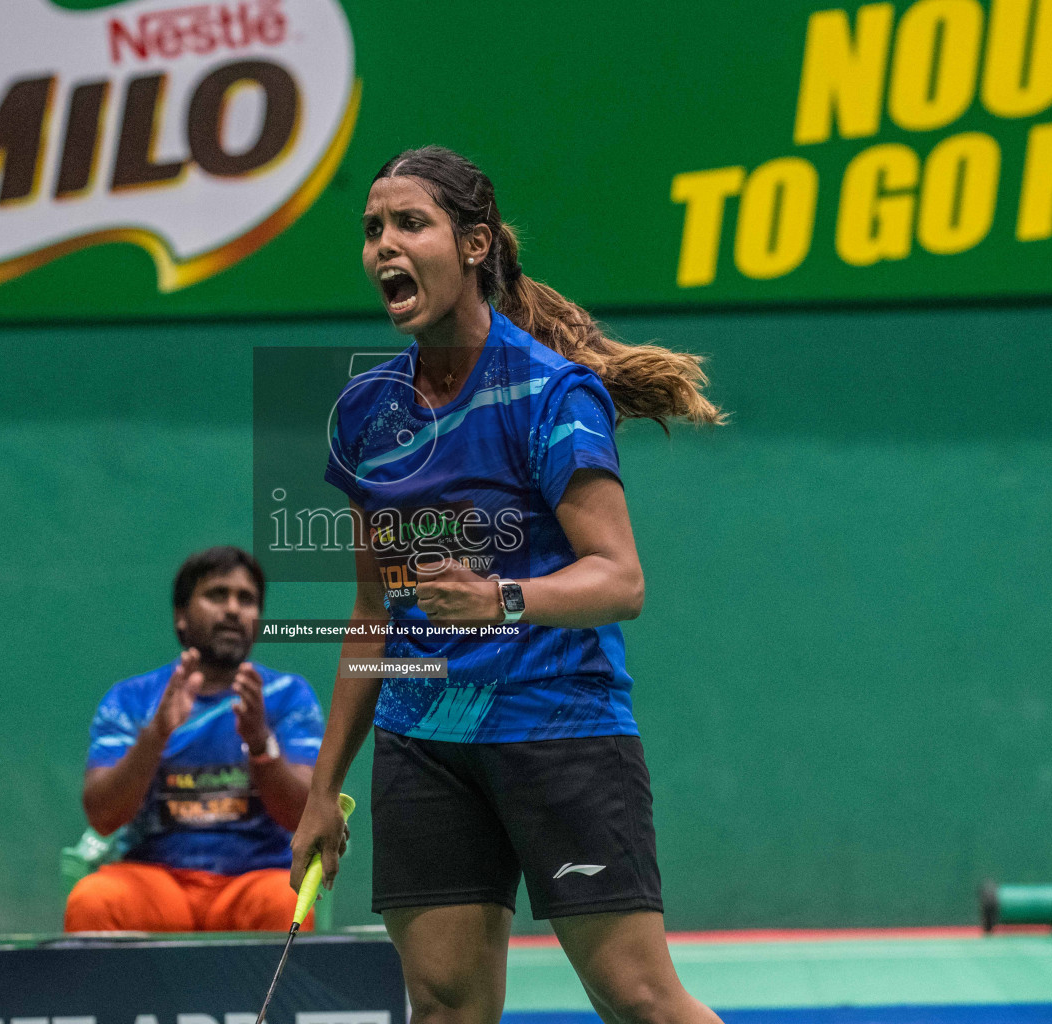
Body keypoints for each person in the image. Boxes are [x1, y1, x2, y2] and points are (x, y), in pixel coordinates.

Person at [290, 147, 727, 1024]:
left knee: (638, 997)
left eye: (410, 223)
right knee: (444, 1007)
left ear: (476, 242)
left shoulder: (550, 394)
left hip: (558, 728)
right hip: (423, 743)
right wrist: (321, 789)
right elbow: (372, 613)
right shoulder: (364, 413)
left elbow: (620, 579)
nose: (384, 246)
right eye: (373, 228)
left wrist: (501, 601)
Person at [65, 546, 324, 932]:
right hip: (154, 883)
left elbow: (305, 817)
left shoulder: (288, 696)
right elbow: (103, 817)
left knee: (284, 903)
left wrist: (260, 743)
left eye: (247, 599)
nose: (233, 609)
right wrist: (156, 735)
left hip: (253, 881)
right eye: (217, 595)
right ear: (181, 617)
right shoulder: (132, 699)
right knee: (94, 901)